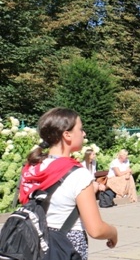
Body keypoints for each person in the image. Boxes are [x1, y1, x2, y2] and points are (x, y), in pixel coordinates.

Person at [19, 108, 118, 259]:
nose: (84, 133)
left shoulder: (31, 168)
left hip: (33, 244)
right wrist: (113, 232)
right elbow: (96, 229)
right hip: (65, 247)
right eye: (80, 128)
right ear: (67, 135)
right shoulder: (77, 174)